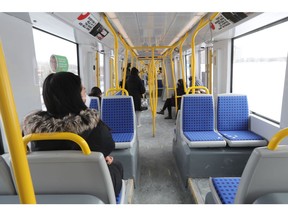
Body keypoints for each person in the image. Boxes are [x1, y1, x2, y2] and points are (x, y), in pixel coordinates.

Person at [22, 72, 123, 196]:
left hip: (48, 186)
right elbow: (108, 145)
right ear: (72, 96)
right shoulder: (92, 127)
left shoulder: (32, 134)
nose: (85, 89)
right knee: (116, 164)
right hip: (90, 188)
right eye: (80, 88)